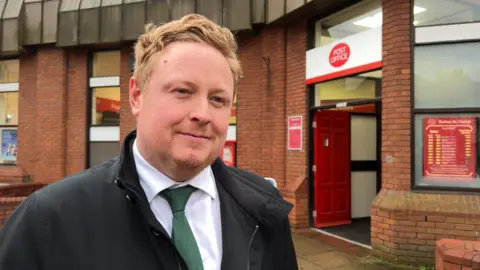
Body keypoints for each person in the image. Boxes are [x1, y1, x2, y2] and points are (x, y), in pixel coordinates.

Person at [0, 14, 298, 270]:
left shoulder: (264, 208)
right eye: (183, 91)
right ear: (136, 95)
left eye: (217, 99)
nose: (202, 114)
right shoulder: (49, 219)